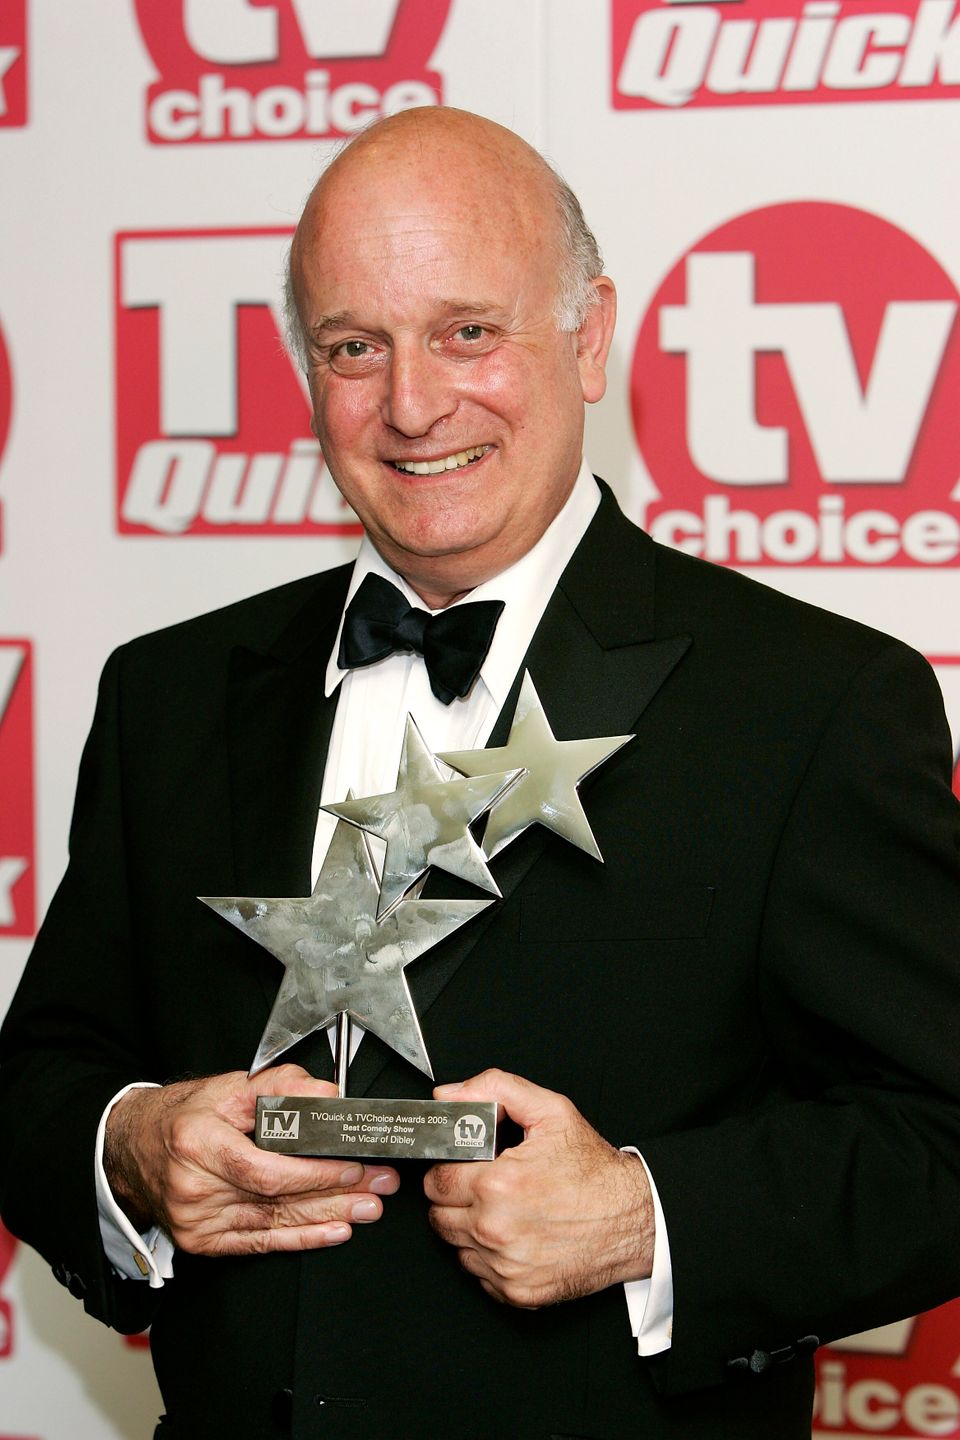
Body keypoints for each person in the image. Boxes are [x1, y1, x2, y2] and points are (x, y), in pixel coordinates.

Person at [2, 106, 960, 1440]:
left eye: (467, 332)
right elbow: (43, 1076)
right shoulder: (168, 693)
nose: (410, 404)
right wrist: (132, 1147)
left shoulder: (812, 703)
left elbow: (943, 1137)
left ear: (590, 337)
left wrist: (646, 1217)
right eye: (354, 346)